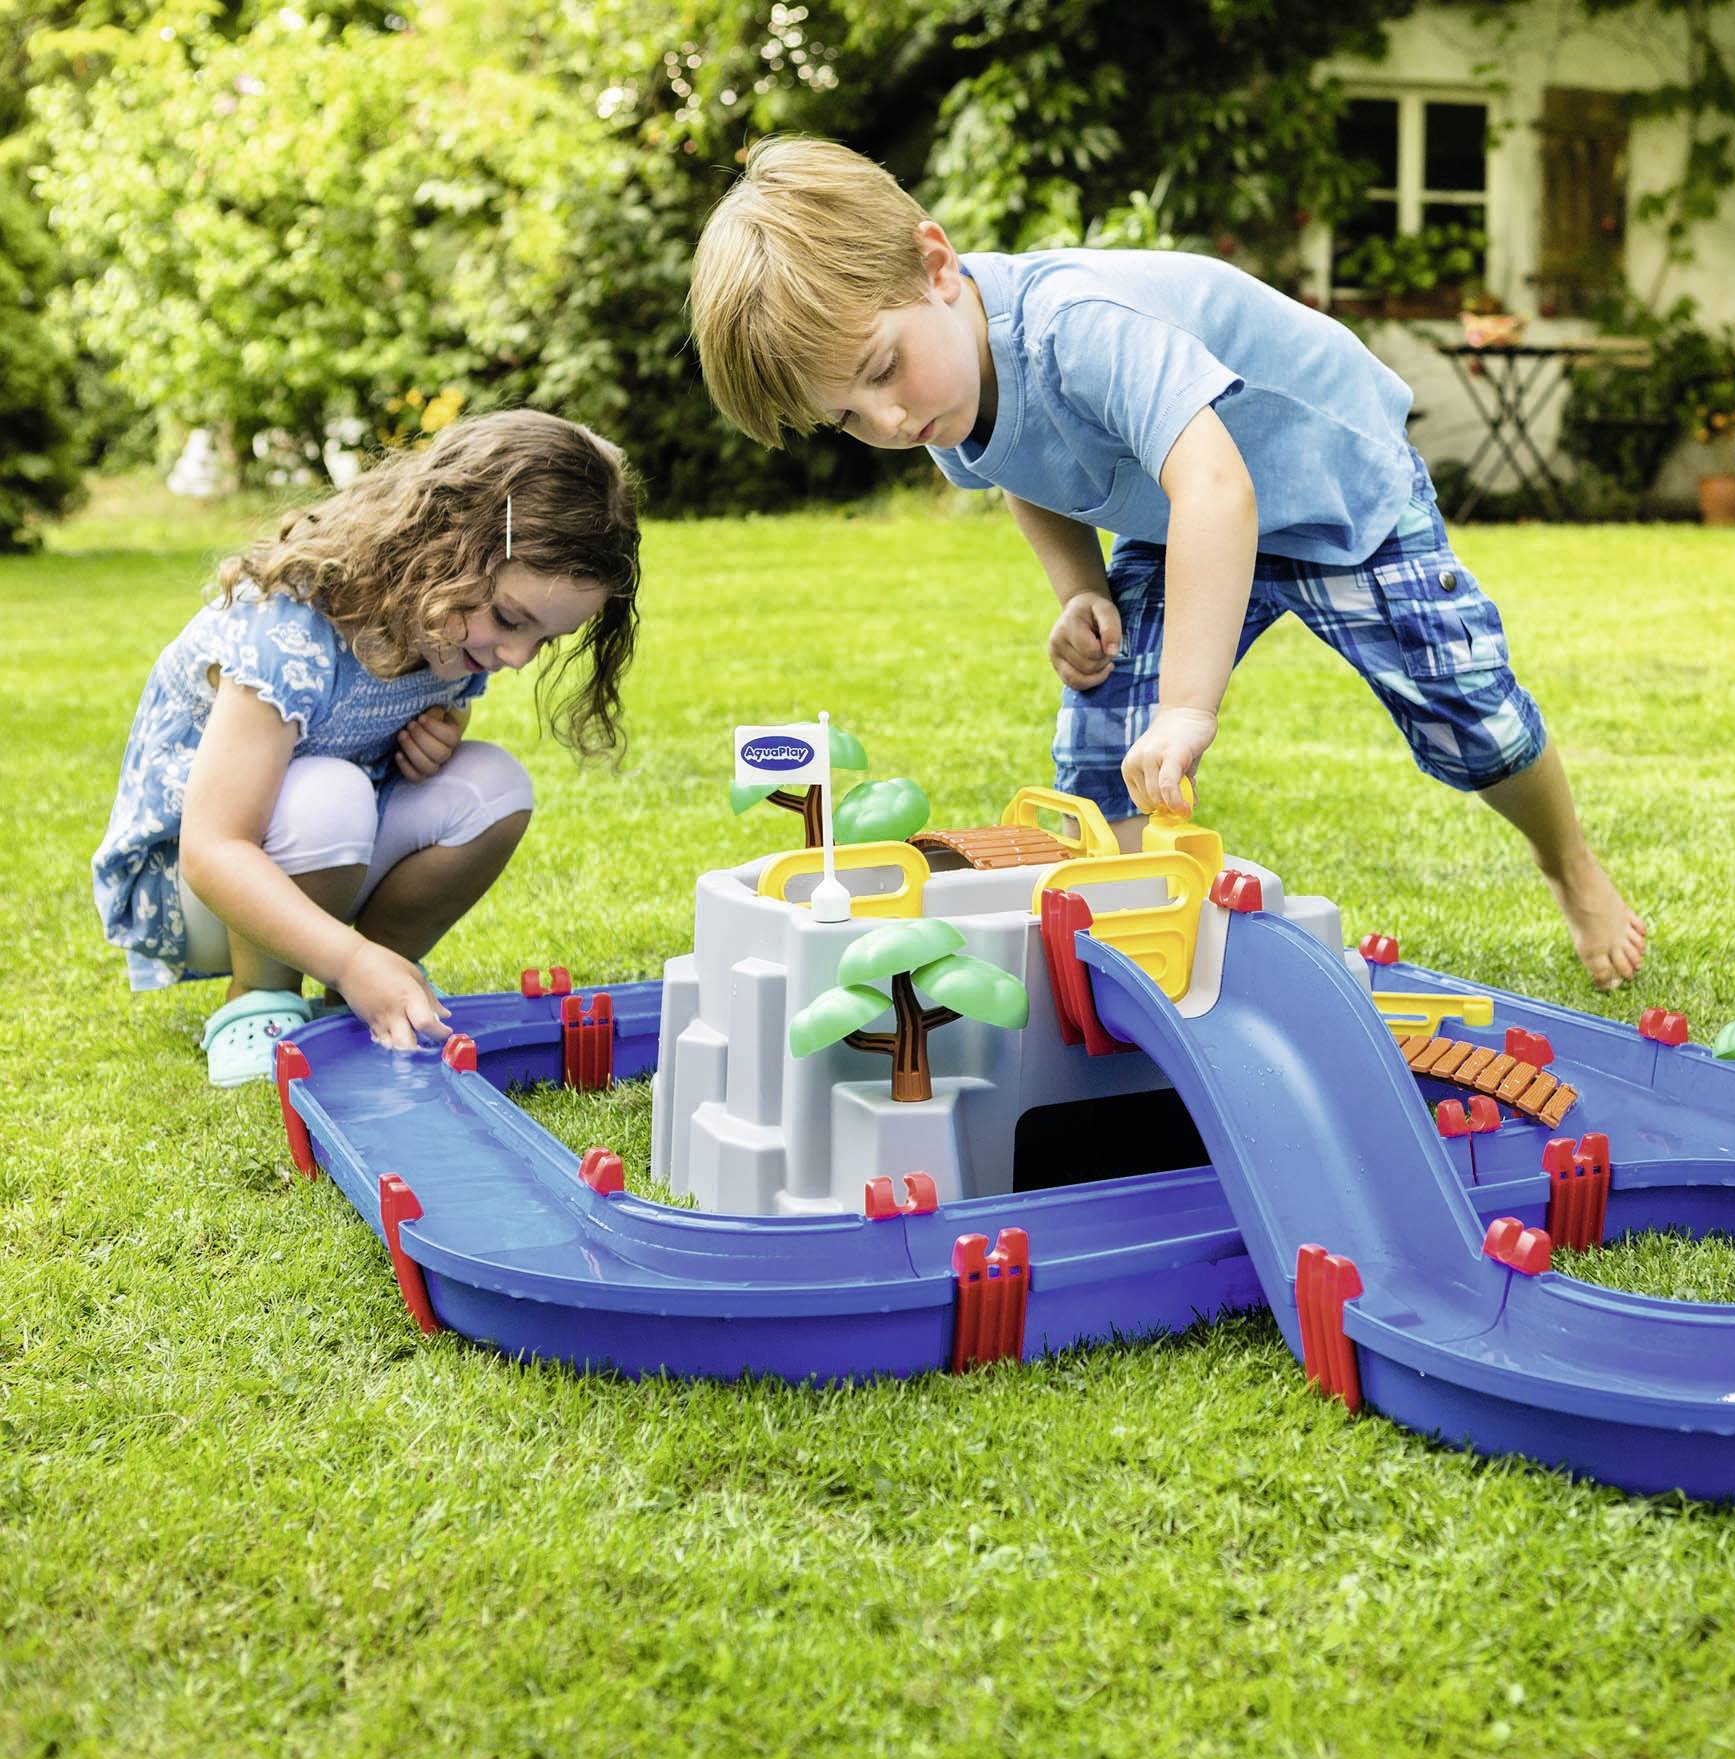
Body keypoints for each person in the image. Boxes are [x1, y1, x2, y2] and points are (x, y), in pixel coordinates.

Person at [688, 138, 1647, 988]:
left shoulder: (1077, 324)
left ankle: (1570, 865)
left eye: (882, 371)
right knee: (1105, 737)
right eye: (848, 416)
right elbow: (1022, 463)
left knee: (1470, 714)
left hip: (1336, 494)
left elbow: (1220, 489)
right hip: (1180, 505)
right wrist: (1080, 589)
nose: (887, 421)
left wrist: (1188, 709)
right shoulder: (939, 386)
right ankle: (1145, 934)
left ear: (936, 265)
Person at [91, 409, 642, 1085]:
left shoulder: (449, 621)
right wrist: (348, 957)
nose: (518, 657)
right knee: (330, 795)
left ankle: (372, 988)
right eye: (509, 618)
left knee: (495, 788)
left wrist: (433, 742)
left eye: (544, 640)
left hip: (322, 858)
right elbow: (211, 847)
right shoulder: (293, 627)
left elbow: (383, 726)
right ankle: (261, 998)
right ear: (445, 538)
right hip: (194, 890)